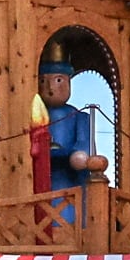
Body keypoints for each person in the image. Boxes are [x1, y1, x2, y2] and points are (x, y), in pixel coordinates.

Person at [36, 54, 108, 223]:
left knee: (68, 215)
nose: (50, 88)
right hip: (42, 179)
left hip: (69, 180)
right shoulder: (35, 116)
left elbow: (84, 146)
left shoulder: (79, 117)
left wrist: (77, 154)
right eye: (42, 81)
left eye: (58, 80)